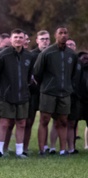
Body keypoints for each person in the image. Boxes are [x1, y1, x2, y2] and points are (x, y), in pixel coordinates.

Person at [33, 26, 77, 155]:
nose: (63, 35)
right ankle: (42, 149)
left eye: (65, 33)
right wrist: (47, 85)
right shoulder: (47, 53)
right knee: (44, 120)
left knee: (63, 121)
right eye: (60, 33)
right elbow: (37, 72)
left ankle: (63, 150)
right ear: (55, 36)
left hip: (65, 93)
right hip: (48, 92)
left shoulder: (71, 54)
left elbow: (73, 73)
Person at [0, 29, 34, 158]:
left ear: (24, 39)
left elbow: (29, 75)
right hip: (6, 95)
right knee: (4, 123)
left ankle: (20, 152)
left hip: (23, 95)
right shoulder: (2, 55)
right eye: (16, 37)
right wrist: (4, 88)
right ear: (11, 39)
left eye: (21, 37)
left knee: (21, 123)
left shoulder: (29, 56)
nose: (18, 39)